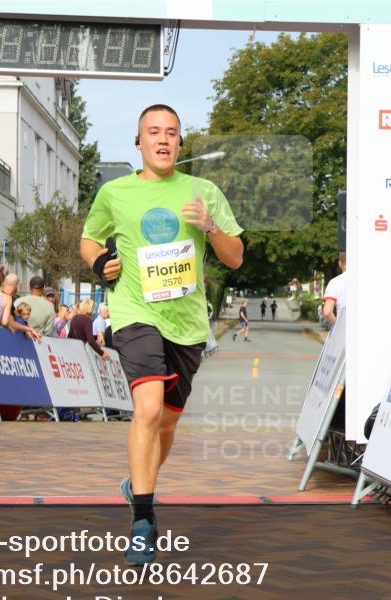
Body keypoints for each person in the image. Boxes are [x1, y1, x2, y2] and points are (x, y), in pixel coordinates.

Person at [80, 103, 244, 565]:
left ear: (179, 142)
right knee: (147, 408)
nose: (163, 139)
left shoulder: (203, 191)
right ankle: (143, 520)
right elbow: (89, 239)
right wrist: (98, 262)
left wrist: (209, 226)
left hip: (187, 322)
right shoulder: (115, 192)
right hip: (134, 311)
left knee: (167, 422)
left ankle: (139, 483)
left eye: (171, 132)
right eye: (154, 132)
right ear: (139, 142)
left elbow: (235, 258)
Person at [323, 253, 346, 326]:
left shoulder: (335, 282)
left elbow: (327, 311)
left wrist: (338, 326)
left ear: (339, 263)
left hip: (345, 331)